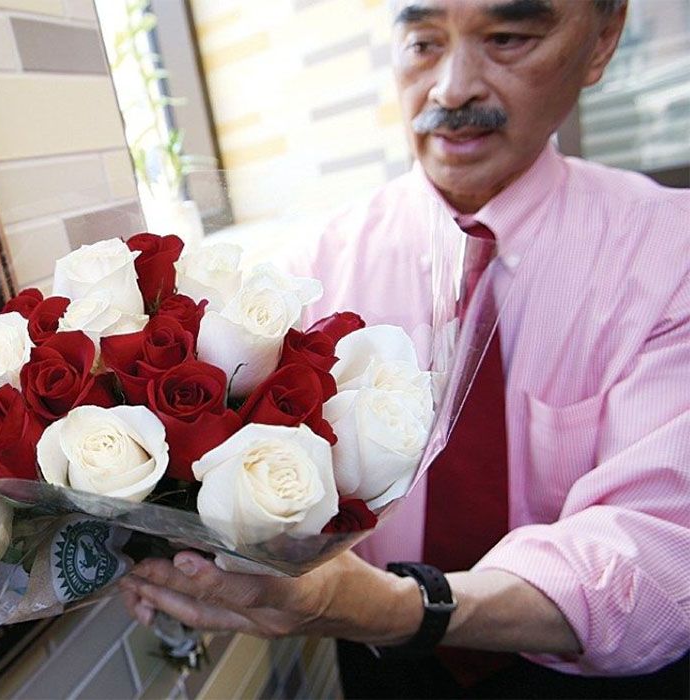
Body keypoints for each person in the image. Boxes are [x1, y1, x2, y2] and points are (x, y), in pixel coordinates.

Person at [121, 0, 690, 696]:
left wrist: (397, 608)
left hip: (589, 670)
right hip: (381, 665)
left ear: (602, 41)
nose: (453, 90)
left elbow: (661, 550)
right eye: (424, 42)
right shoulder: (316, 269)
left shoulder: (670, 254)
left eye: (507, 39)